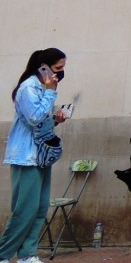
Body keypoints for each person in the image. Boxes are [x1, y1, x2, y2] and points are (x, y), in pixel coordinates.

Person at [0, 49, 68, 263]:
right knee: (24, 210)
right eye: (57, 69)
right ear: (44, 67)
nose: (60, 74)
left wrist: (56, 119)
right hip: (25, 156)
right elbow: (34, 118)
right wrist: (50, 92)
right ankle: (3, 254)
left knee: (39, 208)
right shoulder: (29, 87)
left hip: (40, 155)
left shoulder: (42, 88)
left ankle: (27, 254)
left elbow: (42, 121)